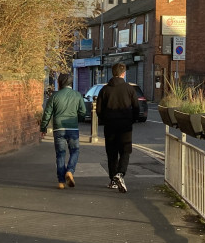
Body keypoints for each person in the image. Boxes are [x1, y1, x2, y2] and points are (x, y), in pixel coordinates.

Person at [96, 63, 139, 192]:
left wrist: (105, 119)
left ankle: (113, 181)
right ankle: (120, 173)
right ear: (123, 73)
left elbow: (98, 109)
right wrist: (132, 120)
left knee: (112, 153)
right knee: (125, 151)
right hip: (125, 126)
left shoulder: (104, 90)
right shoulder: (129, 89)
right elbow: (136, 107)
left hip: (110, 126)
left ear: (112, 73)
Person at [40, 73, 86, 189]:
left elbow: (47, 113)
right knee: (75, 151)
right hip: (73, 128)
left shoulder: (55, 96)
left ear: (60, 83)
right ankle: (70, 171)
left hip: (58, 128)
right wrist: (77, 119)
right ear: (71, 83)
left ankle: (61, 182)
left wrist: (43, 127)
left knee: (60, 154)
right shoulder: (77, 95)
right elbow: (83, 112)